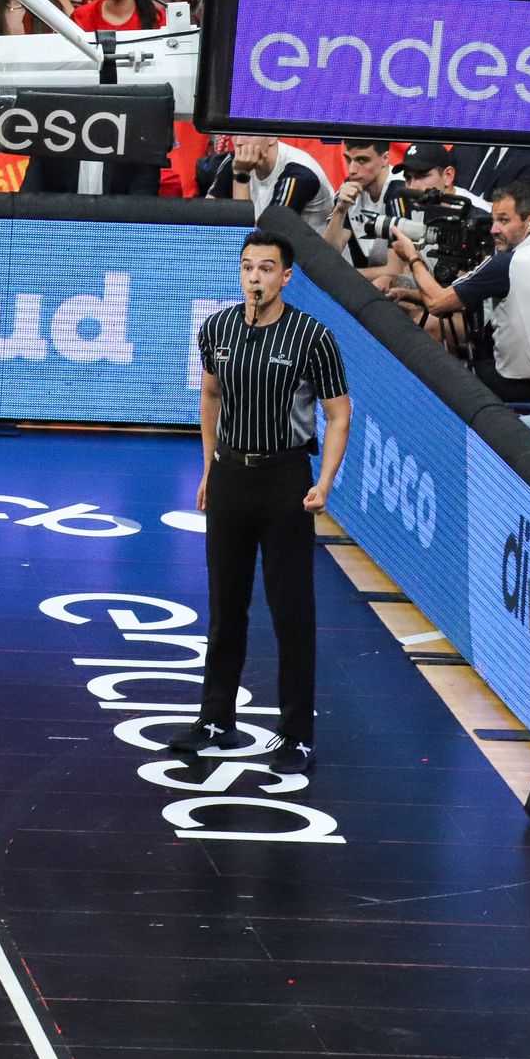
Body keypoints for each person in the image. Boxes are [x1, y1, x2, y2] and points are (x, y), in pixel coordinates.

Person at [168, 230, 350, 777]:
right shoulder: (217, 327)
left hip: (285, 481)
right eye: (248, 267)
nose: (255, 278)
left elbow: (338, 414)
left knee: (292, 612)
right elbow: (211, 395)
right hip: (229, 476)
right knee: (226, 607)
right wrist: (207, 468)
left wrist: (327, 480)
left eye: (267, 268)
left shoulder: (312, 336)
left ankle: (295, 733)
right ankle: (216, 720)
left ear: (286, 277)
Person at [396, 181, 530, 402]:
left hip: (514, 385)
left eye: (504, 220)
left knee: (444, 369)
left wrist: (412, 256)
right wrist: (408, 294)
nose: (494, 229)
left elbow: (437, 303)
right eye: (493, 220)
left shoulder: (506, 264)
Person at [207, 135, 337, 233]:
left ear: (271, 137)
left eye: (248, 133)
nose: (238, 141)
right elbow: (207, 215)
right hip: (272, 258)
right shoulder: (235, 160)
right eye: (235, 133)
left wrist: (241, 175)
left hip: (310, 262)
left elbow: (260, 238)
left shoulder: (299, 173)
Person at [322, 138, 410, 274]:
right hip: (366, 275)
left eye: (362, 161)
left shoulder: (399, 190)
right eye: (348, 159)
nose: (351, 170)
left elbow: (397, 270)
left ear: (385, 158)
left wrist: (342, 275)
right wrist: (340, 210)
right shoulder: (348, 189)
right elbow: (327, 256)